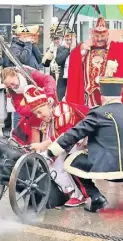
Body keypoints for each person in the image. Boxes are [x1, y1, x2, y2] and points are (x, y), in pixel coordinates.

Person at [47, 76, 123, 212]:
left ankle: (95, 197)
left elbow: (75, 133)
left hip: (108, 169)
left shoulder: (98, 113)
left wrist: (51, 151)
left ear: (103, 95)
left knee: (71, 160)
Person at [24, 85, 89, 206]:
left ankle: (79, 195)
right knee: (51, 164)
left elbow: (65, 137)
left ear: (47, 105)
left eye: (39, 111)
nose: (38, 116)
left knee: (63, 164)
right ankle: (68, 192)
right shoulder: (49, 118)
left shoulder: (62, 110)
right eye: (36, 113)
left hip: (80, 141)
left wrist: (43, 146)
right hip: (68, 144)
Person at [66, 16, 123, 107]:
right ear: (92, 35)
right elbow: (74, 60)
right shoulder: (86, 49)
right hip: (89, 99)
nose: (100, 39)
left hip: (108, 98)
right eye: (97, 36)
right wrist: (83, 47)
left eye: (103, 36)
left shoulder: (114, 49)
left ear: (108, 35)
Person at [1, 66, 57, 144]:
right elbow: (20, 108)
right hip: (32, 115)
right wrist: (34, 108)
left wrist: (49, 95)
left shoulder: (29, 74)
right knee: (33, 124)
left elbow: (49, 79)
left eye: (12, 83)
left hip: (48, 106)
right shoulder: (12, 91)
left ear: (16, 74)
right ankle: (36, 151)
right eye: (9, 86)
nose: (12, 87)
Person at [55, 28, 76, 101]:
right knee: (61, 97)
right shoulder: (61, 48)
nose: (69, 42)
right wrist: (68, 50)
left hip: (74, 77)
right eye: (67, 40)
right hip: (63, 77)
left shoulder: (78, 48)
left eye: (70, 40)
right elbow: (58, 60)